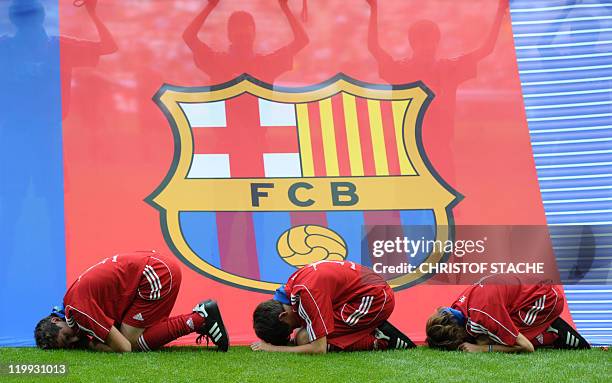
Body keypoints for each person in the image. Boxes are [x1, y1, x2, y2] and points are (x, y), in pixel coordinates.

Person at [34, 251, 229, 352]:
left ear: (55, 321)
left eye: (67, 337)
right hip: (156, 268)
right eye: (70, 345)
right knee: (140, 333)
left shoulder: (77, 311)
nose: (76, 340)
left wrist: (93, 345)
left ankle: (201, 318)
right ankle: (198, 319)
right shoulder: (71, 304)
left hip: (155, 275)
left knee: (133, 343)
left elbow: (124, 347)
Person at [251, 260, 415, 353]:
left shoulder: (306, 294)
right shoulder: (289, 291)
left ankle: (381, 339)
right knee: (305, 335)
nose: (292, 330)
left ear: (283, 316)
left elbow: (318, 349)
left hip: (375, 299)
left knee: (304, 338)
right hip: (361, 292)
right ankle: (367, 328)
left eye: (288, 329)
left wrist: (273, 349)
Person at [425, 275, 590, 352]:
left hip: (546, 300)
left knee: (508, 342)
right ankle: (540, 327)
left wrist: (482, 349)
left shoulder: (482, 315)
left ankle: (551, 333)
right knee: (486, 335)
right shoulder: (457, 308)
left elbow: (527, 348)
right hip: (525, 296)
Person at [182, 0, 309, 84]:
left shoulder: (216, 62)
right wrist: (284, 7)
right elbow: (302, 40)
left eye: (245, 35)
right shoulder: (267, 63)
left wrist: (211, 6)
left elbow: (189, 37)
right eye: (240, 35)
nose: (243, 38)